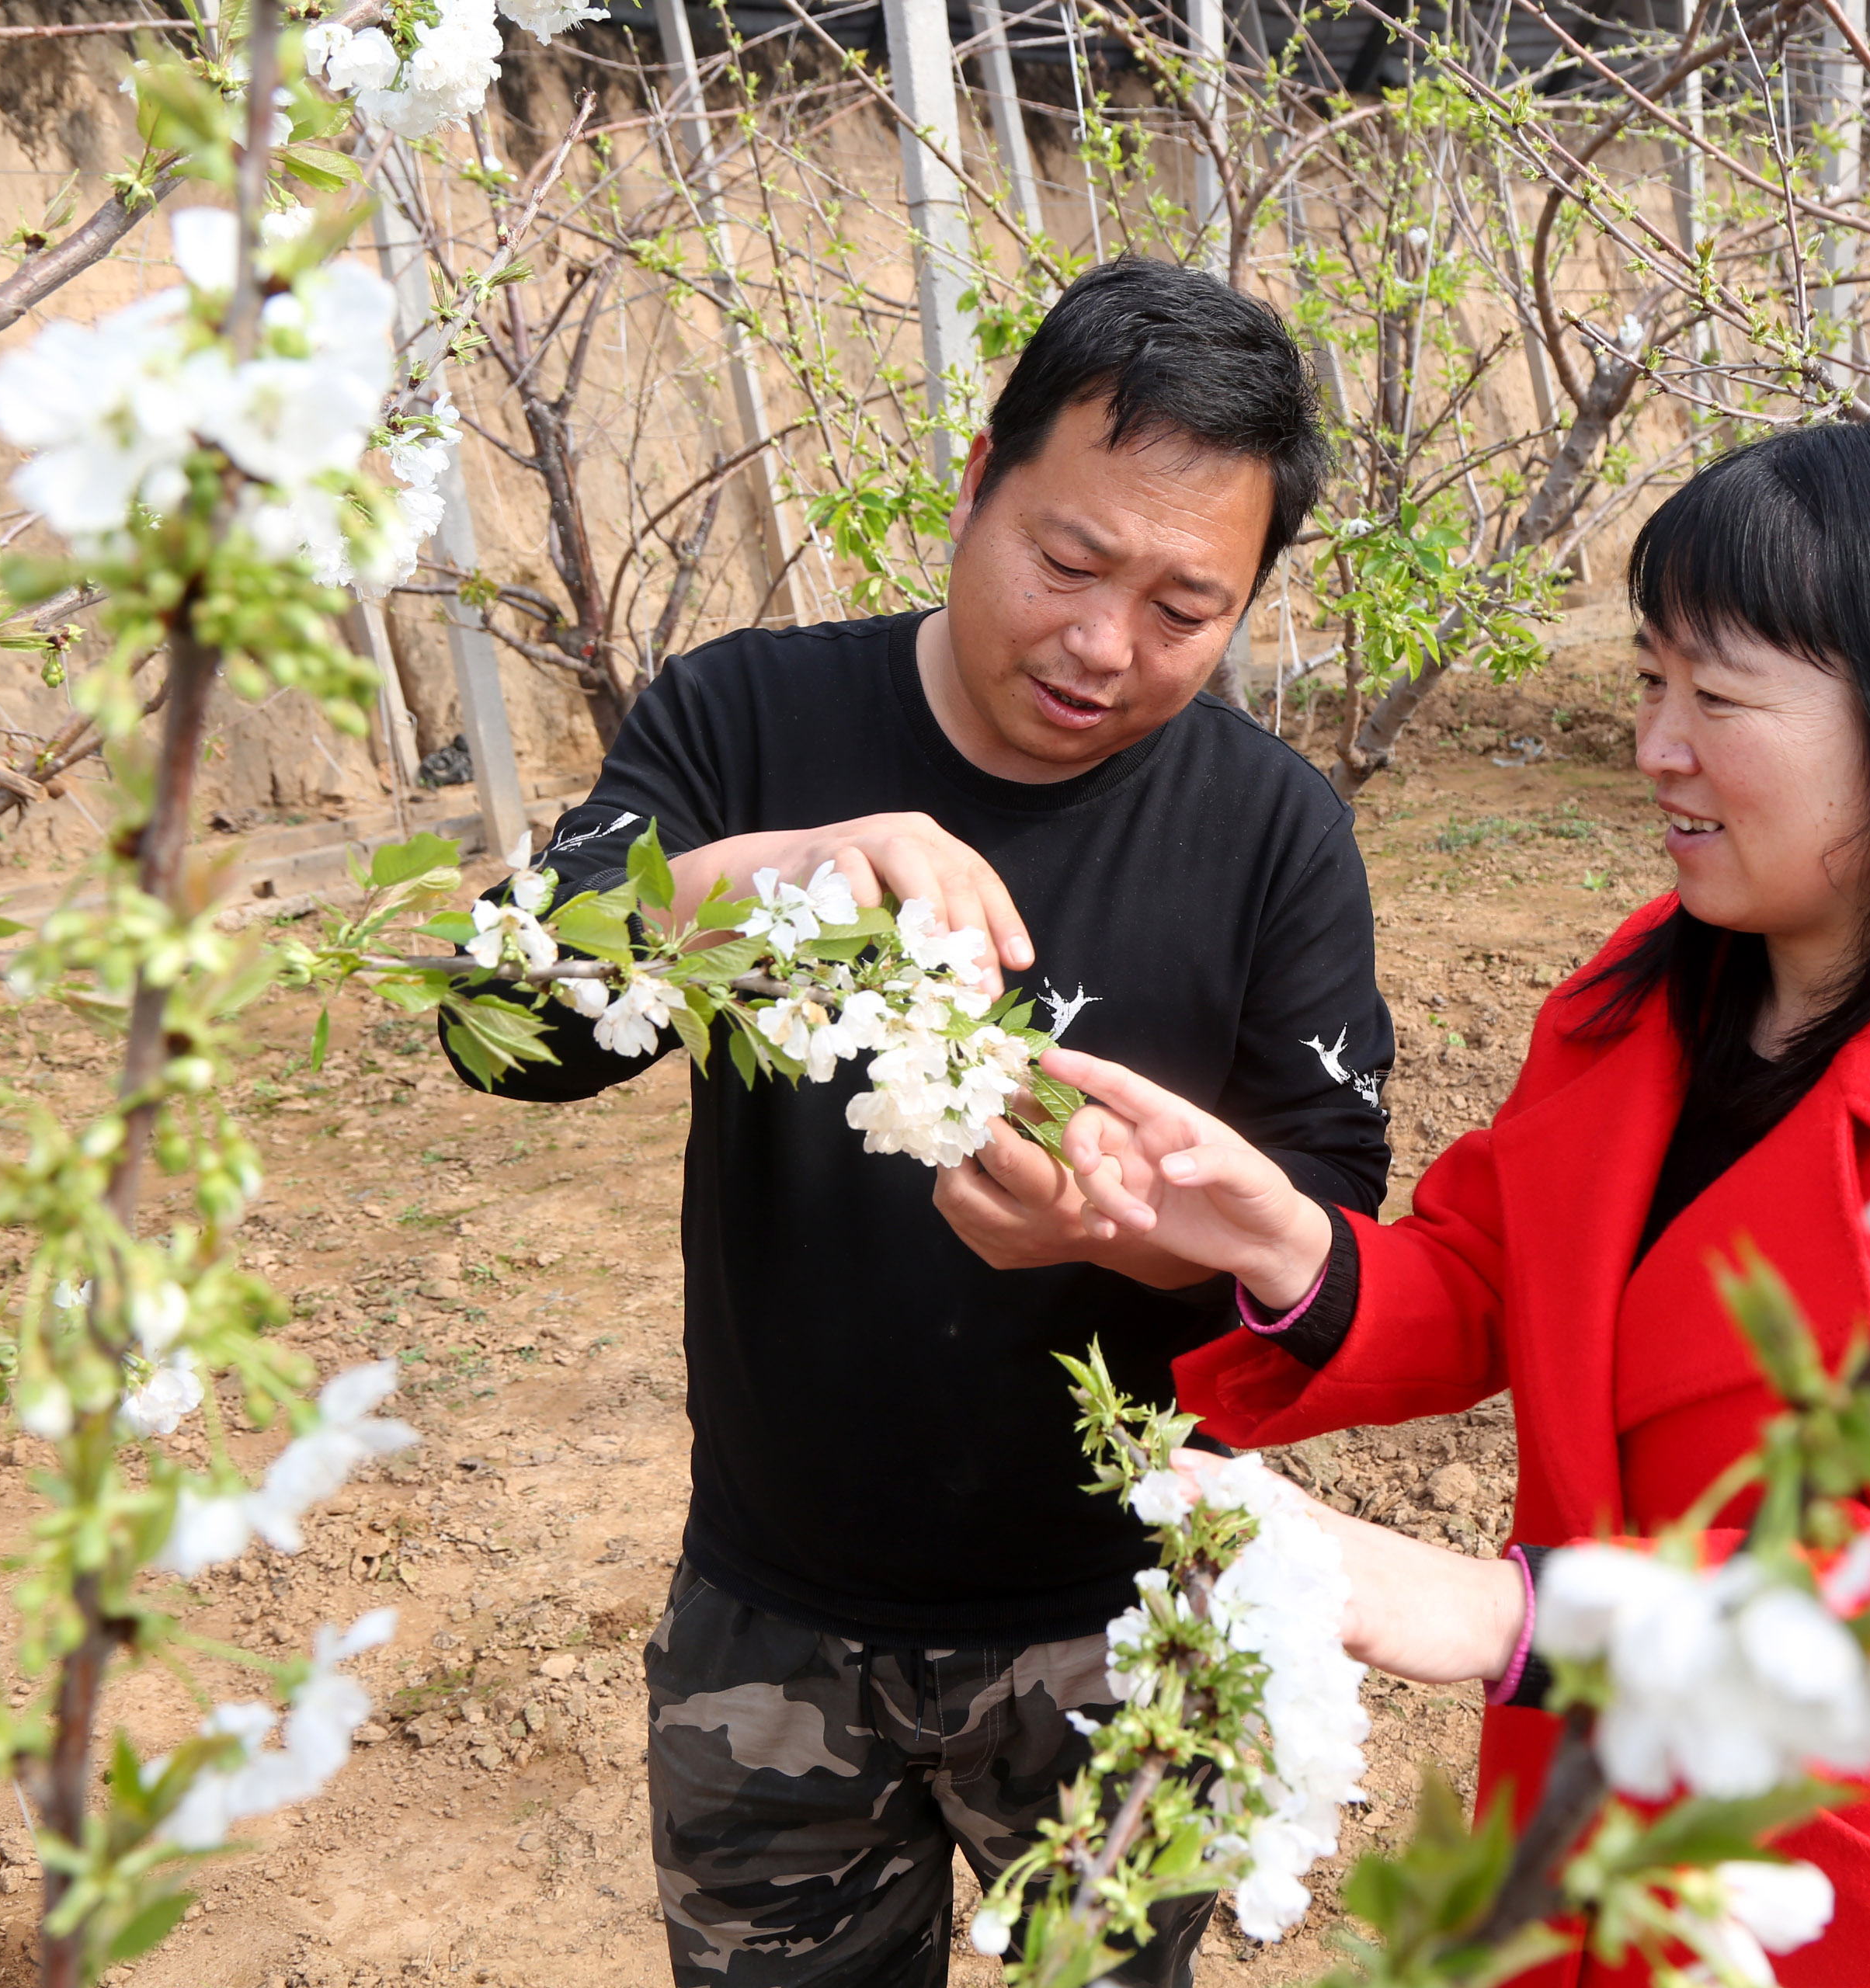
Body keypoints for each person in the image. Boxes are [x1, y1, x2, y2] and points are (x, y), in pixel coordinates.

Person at [1031, 424, 1870, 1988]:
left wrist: (1511, 1615)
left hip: (1815, 1861)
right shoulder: (1643, 995)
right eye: (1652, 678)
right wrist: (1278, 1239)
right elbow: (1491, 1279)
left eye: (1717, 697)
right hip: (1577, 1806)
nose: (1656, 742)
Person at [450, 258, 1395, 1988]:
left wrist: (1121, 1221)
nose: (1107, 645)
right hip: (773, 1616)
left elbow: (1328, 1226)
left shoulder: (1272, 831)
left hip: (1115, 1627)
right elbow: (501, 1030)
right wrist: (755, 876)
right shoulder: (746, 720)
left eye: (1188, 606)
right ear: (975, 479)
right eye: (1067, 560)